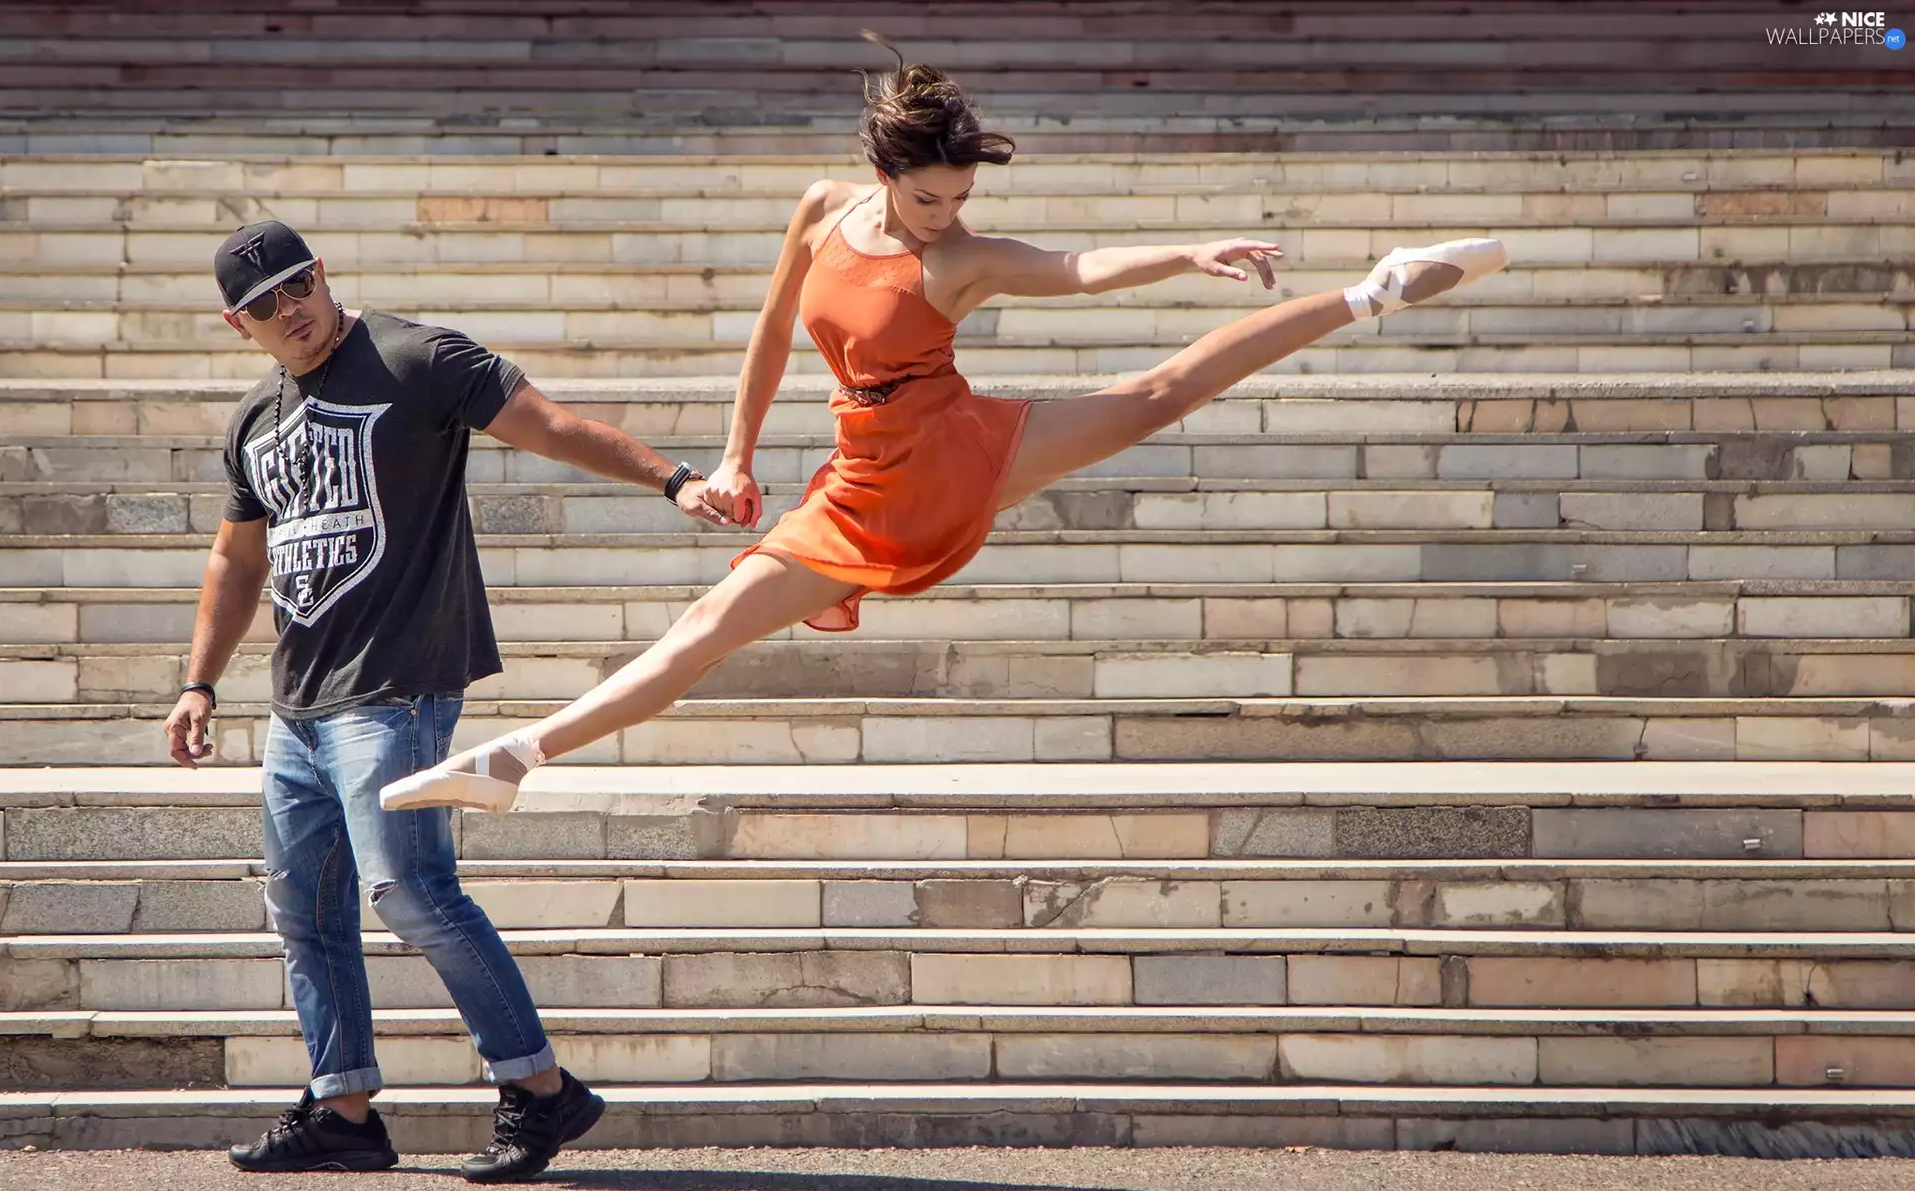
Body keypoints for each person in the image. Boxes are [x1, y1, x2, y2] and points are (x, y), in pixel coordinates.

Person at [379, 35, 1506, 815]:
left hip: (948, 449)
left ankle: (1373, 291)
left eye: (962, 199)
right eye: (929, 198)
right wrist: (733, 454)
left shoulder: (960, 260)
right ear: (882, 173)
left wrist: (1188, 251)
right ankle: (516, 758)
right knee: (702, 631)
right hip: (857, 472)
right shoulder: (822, 211)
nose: (946, 216)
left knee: (1159, 394)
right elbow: (771, 334)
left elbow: (1075, 267)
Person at [164, 220, 725, 1179]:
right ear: (237, 324)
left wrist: (672, 479)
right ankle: (342, 1108)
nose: (289, 309)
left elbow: (547, 424)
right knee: (303, 905)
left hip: (398, 687)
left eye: (297, 285)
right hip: (299, 706)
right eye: (263, 304)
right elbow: (236, 558)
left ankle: (540, 1090)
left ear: (321, 274)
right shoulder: (255, 418)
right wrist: (198, 681)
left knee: (410, 889)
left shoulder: (415, 358)